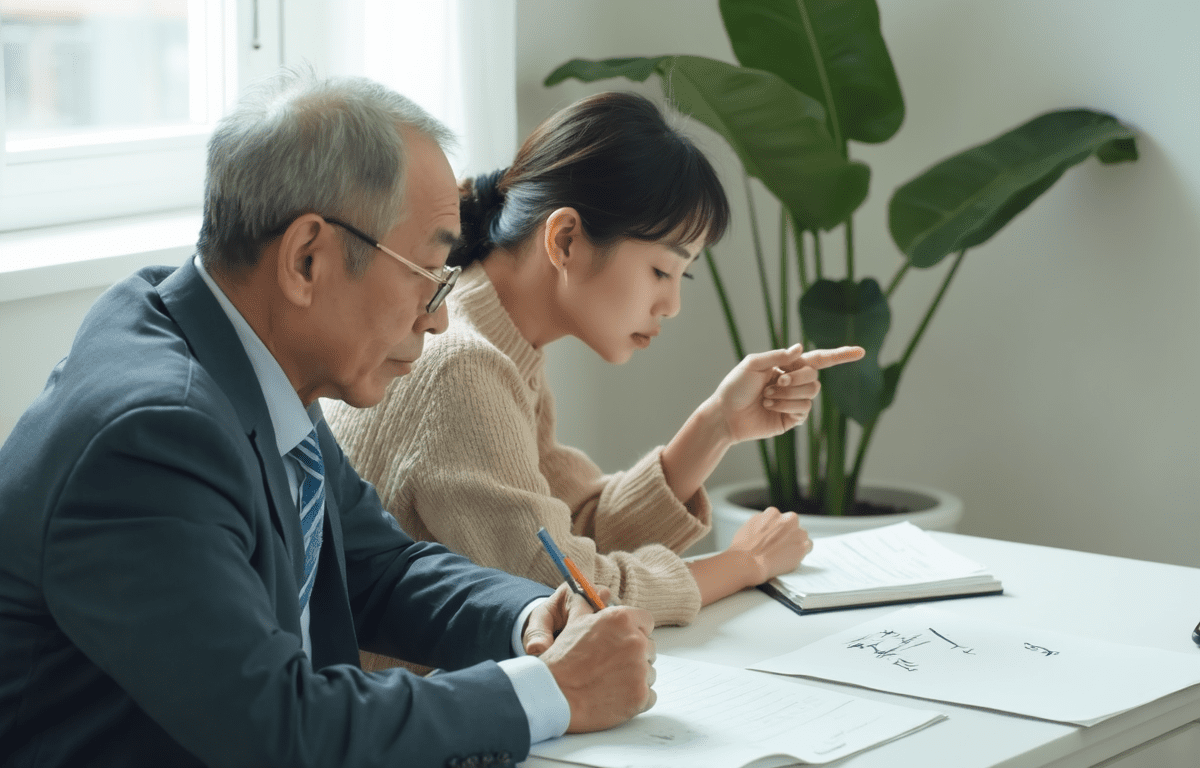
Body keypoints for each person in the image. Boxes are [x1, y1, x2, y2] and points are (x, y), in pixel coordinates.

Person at [0, 70, 658, 768]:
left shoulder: (236, 346)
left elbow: (378, 568)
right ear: (307, 259)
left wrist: (529, 617)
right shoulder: (154, 438)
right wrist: (553, 691)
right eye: (429, 275)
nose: (438, 321)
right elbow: (277, 729)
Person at [325, 91, 865, 655]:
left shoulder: (497, 344)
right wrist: (743, 563)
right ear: (564, 240)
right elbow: (565, 589)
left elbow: (575, 527)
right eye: (662, 271)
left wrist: (718, 425)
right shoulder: (461, 365)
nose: (672, 305)